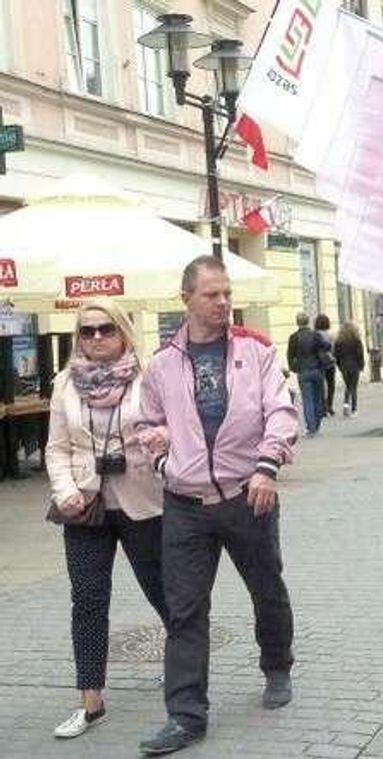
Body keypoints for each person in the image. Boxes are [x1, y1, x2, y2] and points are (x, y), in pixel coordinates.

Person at [137, 255, 299, 755]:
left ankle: (277, 666)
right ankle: (186, 716)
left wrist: (267, 467)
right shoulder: (162, 364)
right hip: (185, 505)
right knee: (184, 611)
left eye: (227, 293)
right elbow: (145, 427)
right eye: (212, 294)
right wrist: (164, 461)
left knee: (266, 588)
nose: (223, 302)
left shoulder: (256, 351)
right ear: (185, 298)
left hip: (247, 495)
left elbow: (281, 411)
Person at [44, 299, 169, 739]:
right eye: (87, 330)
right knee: (88, 600)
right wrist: (66, 492)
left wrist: (161, 439)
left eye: (105, 329)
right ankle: (91, 701)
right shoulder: (64, 384)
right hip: (86, 504)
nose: (96, 337)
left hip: (143, 500)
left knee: (164, 591)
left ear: (122, 331)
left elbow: (173, 425)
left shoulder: (149, 376)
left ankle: (184, 670)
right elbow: (57, 448)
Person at [286, 312, 324, 436]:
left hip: (303, 371)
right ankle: (317, 423)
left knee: (307, 399)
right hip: (317, 369)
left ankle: (311, 427)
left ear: (297, 323)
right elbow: (326, 347)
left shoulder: (294, 337)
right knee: (318, 398)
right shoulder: (315, 335)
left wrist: (294, 368)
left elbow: (290, 356)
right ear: (308, 322)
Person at [333, 321, 365, 417]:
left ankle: (346, 405)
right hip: (354, 366)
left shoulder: (339, 342)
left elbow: (336, 355)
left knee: (348, 387)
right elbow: (360, 354)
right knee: (353, 388)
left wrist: (339, 366)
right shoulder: (356, 340)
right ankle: (354, 410)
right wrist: (361, 365)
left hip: (344, 367)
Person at [313, 314, 336, 417]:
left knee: (321, 385)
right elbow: (333, 348)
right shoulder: (331, 335)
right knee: (331, 385)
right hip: (330, 362)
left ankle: (322, 407)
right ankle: (329, 405)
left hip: (319, 362)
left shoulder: (314, 334)